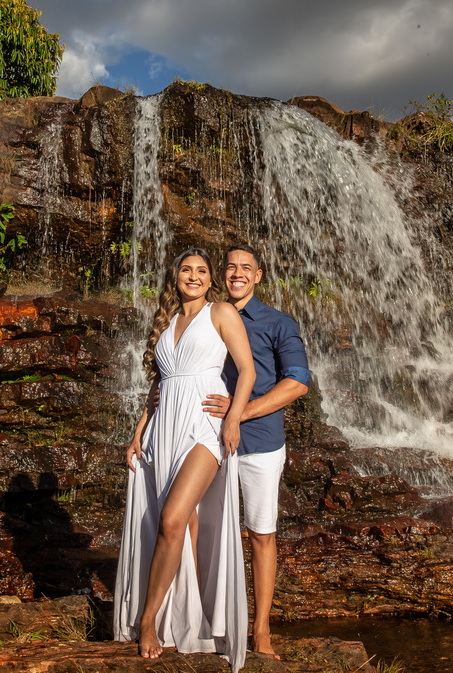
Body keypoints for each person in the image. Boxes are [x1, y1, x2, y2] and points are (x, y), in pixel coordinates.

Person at [113, 247, 257, 671]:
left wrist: (233, 419)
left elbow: (246, 371)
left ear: (211, 279)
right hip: (164, 427)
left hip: (204, 428)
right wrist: (139, 430)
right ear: (175, 277)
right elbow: (158, 385)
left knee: (172, 519)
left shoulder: (222, 314)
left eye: (201, 271)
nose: (193, 276)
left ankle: (148, 620)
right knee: (183, 525)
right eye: (185, 270)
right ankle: (189, 619)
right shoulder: (167, 323)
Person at [201, 244, 310, 659]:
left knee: (261, 536)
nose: (237, 273)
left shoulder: (277, 323)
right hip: (208, 442)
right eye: (230, 267)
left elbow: (298, 381)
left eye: (246, 267)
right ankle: (210, 623)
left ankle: (261, 631)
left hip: (260, 443)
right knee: (207, 533)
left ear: (259, 275)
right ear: (221, 275)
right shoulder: (208, 317)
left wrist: (240, 412)